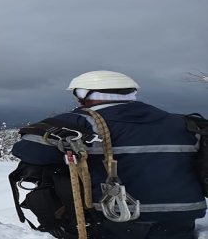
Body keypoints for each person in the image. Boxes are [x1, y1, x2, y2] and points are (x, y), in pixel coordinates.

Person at [11, 70, 205, 239]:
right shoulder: (182, 123)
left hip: (111, 215)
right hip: (181, 215)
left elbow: (29, 153)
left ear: (83, 94)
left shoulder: (77, 121)